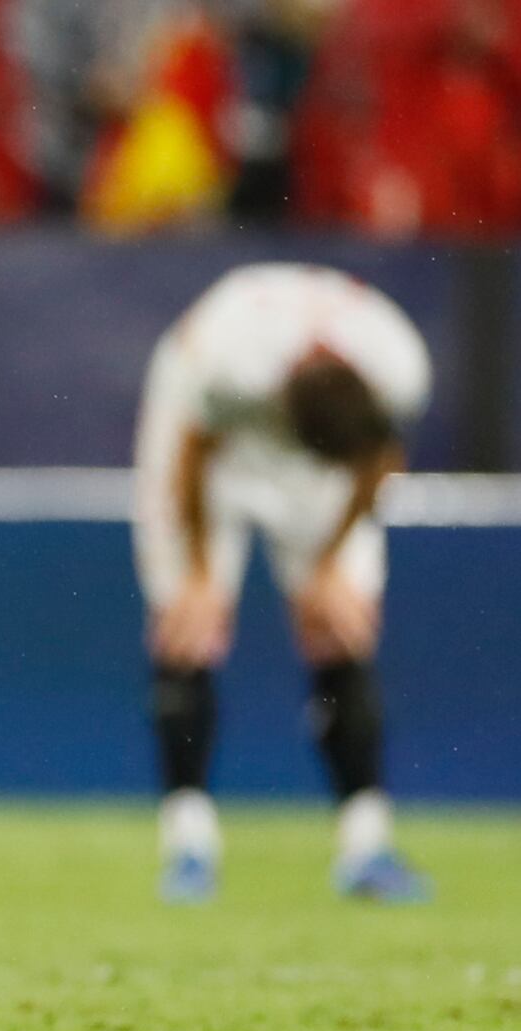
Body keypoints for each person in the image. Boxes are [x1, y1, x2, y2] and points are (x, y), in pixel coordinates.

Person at [133, 263, 432, 904]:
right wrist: (202, 575)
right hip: (204, 437)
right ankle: (188, 845)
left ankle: (367, 845)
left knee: (342, 626)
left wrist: (327, 563)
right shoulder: (230, 363)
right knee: (190, 626)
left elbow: (377, 459)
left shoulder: (397, 366)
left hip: (312, 421)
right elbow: (192, 449)